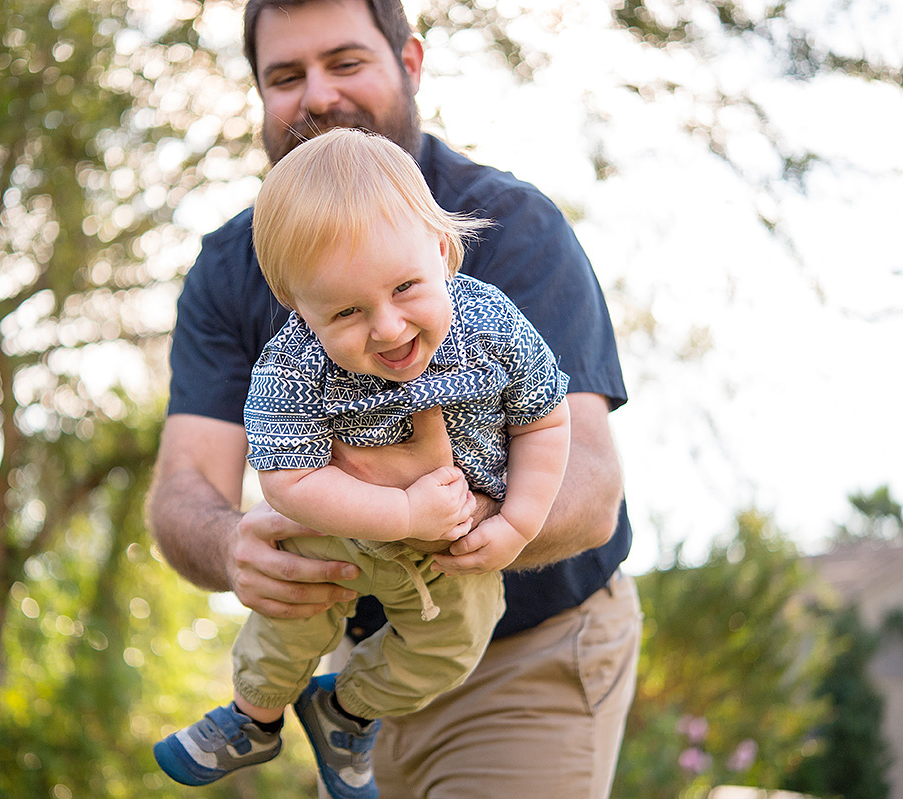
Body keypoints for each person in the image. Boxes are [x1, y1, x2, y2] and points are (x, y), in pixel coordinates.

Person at [148, 0, 643, 796]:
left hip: (527, 648)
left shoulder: (510, 229)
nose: (316, 96)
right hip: (352, 636)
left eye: (345, 62)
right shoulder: (232, 271)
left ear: (409, 65)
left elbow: (588, 483)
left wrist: (469, 521)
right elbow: (184, 490)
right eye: (285, 76)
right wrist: (231, 544)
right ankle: (300, 712)